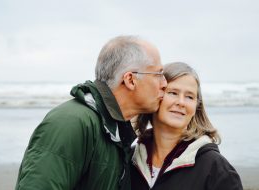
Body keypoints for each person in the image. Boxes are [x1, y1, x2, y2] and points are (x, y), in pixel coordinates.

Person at [15, 35, 167, 190]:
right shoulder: (71, 123)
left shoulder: (115, 131)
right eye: (158, 74)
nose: (164, 84)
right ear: (130, 80)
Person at [131, 62, 243, 190]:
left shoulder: (215, 168)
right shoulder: (130, 159)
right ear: (155, 96)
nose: (181, 102)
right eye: (173, 93)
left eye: (190, 96)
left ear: (196, 106)